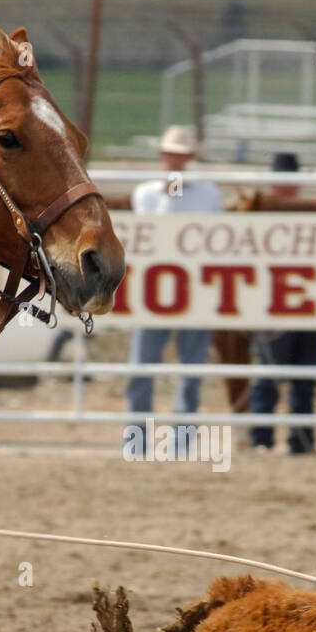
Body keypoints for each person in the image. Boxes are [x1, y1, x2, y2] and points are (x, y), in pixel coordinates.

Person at [125, 125, 222, 442]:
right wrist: (170, 196)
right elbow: (151, 234)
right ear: (164, 156)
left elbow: (215, 238)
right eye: (172, 154)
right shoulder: (146, 192)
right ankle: (137, 437)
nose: (176, 160)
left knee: (191, 370)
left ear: (191, 157)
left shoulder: (209, 193)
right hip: (154, 289)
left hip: (194, 288)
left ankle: (182, 439)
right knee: (141, 368)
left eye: (182, 155)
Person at [248, 152, 316, 454]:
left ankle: (300, 440)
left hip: (306, 302)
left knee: (304, 378)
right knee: (268, 376)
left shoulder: (310, 212)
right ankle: (263, 440)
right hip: (274, 304)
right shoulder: (264, 211)